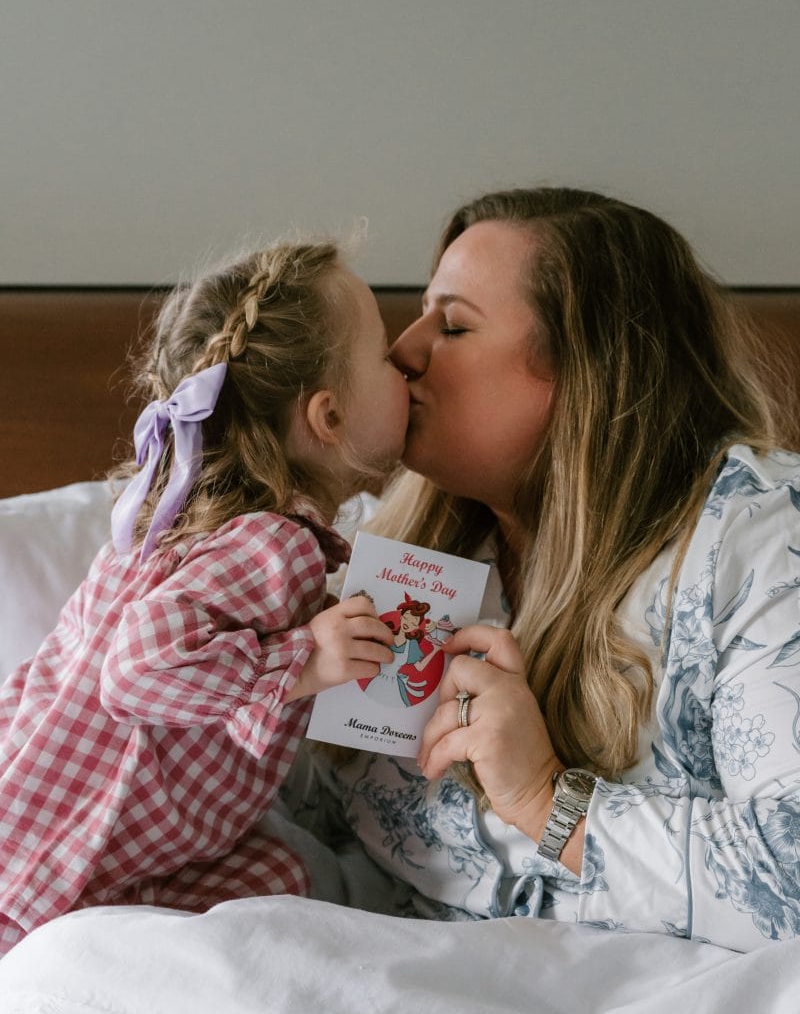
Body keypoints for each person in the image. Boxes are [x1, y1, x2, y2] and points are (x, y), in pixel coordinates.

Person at [294, 186, 800, 953]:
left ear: (587, 372)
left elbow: (788, 881)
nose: (402, 352)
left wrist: (547, 799)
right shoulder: (382, 552)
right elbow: (291, 813)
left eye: (454, 324)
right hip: (404, 999)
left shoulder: (758, 544)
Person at [0, 238, 408, 953]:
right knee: (293, 887)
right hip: (56, 850)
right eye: (384, 355)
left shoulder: (181, 517)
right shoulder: (273, 544)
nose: (406, 360)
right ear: (329, 418)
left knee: (281, 874)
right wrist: (309, 657)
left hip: (96, 826)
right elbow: (135, 668)